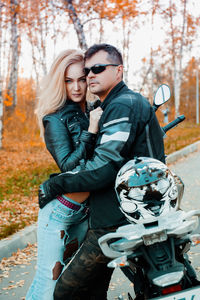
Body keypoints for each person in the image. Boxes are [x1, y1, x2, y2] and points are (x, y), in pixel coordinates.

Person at [38, 43, 166, 300]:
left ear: (119, 71)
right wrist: (92, 131)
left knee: (72, 291)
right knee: (50, 284)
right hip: (77, 211)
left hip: (108, 218)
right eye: (87, 71)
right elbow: (74, 164)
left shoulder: (116, 106)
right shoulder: (62, 118)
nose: (86, 80)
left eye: (92, 72)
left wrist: (54, 184)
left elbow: (104, 166)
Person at [26, 49, 102, 300]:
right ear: (60, 82)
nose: (77, 87)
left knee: (71, 280)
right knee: (49, 282)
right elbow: (69, 167)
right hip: (59, 213)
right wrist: (91, 130)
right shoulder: (54, 118)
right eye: (69, 81)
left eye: (81, 79)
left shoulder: (91, 108)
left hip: (84, 212)